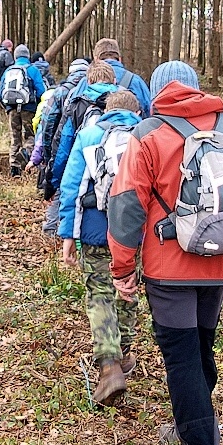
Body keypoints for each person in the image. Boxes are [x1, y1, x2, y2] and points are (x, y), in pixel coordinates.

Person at [107, 60, 223, 445]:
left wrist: (121, 270)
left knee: (182, 362)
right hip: (220, 261)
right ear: (196, 87)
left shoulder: (148, 135)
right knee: (199, 350)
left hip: (168, 269)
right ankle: (188, 424)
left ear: (156, 91)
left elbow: (125, 208)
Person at [58, 90, 142, 407]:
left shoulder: (90, 134)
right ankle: (125, 354)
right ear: (137, 111)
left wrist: (68, 234)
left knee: (99, 294)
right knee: (128, 288)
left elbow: (73, 187)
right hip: (135, 233)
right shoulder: (147, 134)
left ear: (106, 110)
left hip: (97, 229)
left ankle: (109, 363)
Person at [49, 60, 119, 203]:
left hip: (85, 178)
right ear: (114, 80)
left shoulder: (76, 105)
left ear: (88, 81)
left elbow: (63, 146)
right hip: (119, 179)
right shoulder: (128, 102)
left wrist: (54, 182)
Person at [32, 58, 89, 233]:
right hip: (89, 148)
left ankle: (51, 230)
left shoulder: (60, 92)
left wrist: (49, 157)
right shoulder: (95, 91)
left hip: (65, 146)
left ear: (71, 73)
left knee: (60, 188)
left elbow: (48, 124)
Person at [69, 38, 152, 117]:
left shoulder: (86, 81)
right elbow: (148, 112)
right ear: (119, 59)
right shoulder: (136, 81)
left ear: (96, 59)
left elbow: (72, 112)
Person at [0, 44, 47, 176]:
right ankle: (25, 153)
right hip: (29, 108)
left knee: (15, 137)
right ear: (28, 56)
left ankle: (14, 168)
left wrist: (8, 108)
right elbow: (41, 91)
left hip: (11, 108)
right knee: (31, 135)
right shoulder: (33, 69)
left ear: (15, 56)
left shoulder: (8, 71)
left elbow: (0, 94)